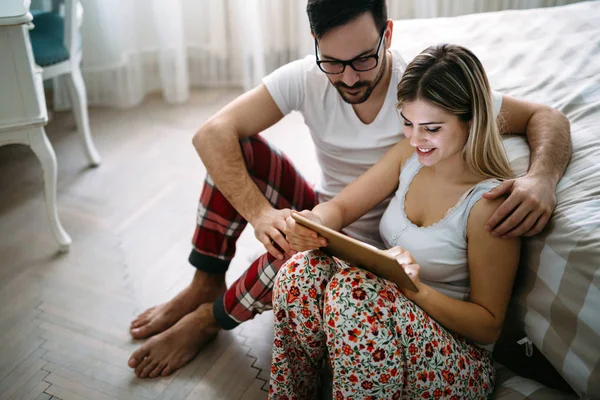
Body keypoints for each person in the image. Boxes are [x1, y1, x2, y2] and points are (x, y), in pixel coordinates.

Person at [127, 0, 571, 379]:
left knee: (292, 253)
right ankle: (206, 283)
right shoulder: (307, 76)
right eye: (333, 63)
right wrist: (265, 218)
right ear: (315, 43)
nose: (351, 78)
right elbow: (211, 134)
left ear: (388, 34)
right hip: (331, 215)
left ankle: (210, 320)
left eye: (363, 60)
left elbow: (545, 117)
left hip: (381, 249)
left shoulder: (426, 92)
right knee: (235, 153)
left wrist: (541, 179)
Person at [270, 43, 522, 399]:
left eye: (431, 128)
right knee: (300, 271)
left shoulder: (486, 204)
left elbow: (489, 324)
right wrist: (313, 222)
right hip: (387, 324)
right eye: (407, 123)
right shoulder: (410, 157)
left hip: (458, 360)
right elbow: (341, 207)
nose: (416, 139)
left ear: (471, 120)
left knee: (353, 291)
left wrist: (412, 289)